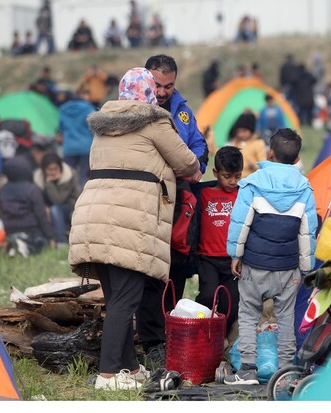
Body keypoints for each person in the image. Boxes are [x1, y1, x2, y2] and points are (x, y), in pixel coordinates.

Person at [68, 67, 199, 390]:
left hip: (92, 217)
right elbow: (186, 163)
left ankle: (130, 367)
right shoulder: (153, 121)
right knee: (126, 301)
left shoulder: (102, 127)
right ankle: (109, 374)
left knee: (117, 300)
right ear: (149, 93)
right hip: (129, 221)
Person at [225, 128, 318, 385]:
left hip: (254, 265)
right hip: (288, 268)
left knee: (248, 314)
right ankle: (287, 373)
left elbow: (239, 223)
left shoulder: (253, 184)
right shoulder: (305, 189)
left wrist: (235, 254)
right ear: (297, 159)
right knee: (286, 318)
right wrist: (306, 266)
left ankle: (247, 370)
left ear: (270, 152)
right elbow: (308, 231)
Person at [138, 55, 208, 362]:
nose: (163, 91)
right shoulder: (135, 110)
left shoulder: (182, 111)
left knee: (178, 265)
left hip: (181, 200)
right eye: (157, 85)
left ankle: (171, 332)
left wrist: (196, 166)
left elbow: (199, 146)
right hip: (148, 199)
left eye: (169, 85)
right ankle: (151, 341)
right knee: (150, 268)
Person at [195, 146, 243, 336]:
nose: (232, 181)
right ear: (215, 173)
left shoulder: (243, 195)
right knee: (207, 296)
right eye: (227, 176)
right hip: (207, 258)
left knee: (230, 303)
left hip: (232, 260)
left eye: (237, 176)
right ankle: (199, 331)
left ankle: (218, 339)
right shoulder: (203, 194)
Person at [0, 156, 54, 257]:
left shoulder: (3, 190)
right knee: (41, 244)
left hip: (10, 229)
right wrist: (50, 236)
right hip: (30, 229)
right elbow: (41, 215)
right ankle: (25, 247)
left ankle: (13, 246)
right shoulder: (32, 189)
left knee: (15, 237)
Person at [33, 152, 80, 246]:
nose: (53, 172)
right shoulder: (38, 178)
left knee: (55, 209)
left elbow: (58, 200)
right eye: (50, 170)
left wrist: (49, 184)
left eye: (55, 169)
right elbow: (37, 198)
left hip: (69, 207)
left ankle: (60, 241)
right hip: (47, 208)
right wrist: (45, 207)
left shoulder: (68, 176)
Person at [57, 89, 96, 187]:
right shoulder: (88, 108)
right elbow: (94, 126)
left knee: (68, 175)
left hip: (69, 147)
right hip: (86, 146)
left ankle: (70, 197)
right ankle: (83, 197)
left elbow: (61, 128)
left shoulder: (62, 110)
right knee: (84, 175)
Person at [229, 111, 266, 178]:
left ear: (251, 130)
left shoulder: (258, 143)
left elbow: (263, 165)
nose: (241, 134)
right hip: (237, 179)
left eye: (244, 131)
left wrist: (254, 166)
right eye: (239, 132)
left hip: (253, 179)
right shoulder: (235, 143)